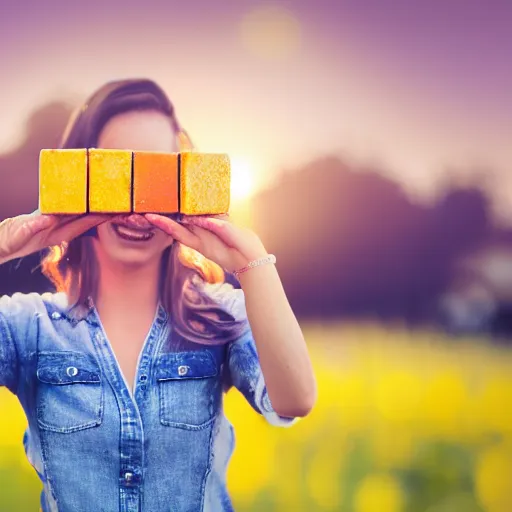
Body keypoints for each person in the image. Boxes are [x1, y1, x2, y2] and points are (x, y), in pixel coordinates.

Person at [0, 78, 317, 512]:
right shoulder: (27, 327)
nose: (136, 208)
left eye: (157, 176)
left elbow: (296, 399)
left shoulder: (218, 314)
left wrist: (252, 263)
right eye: (118, 172)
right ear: (79, 177)